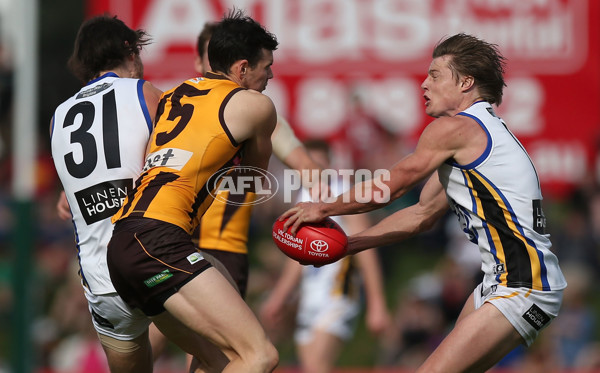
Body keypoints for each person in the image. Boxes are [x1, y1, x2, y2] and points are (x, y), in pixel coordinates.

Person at [281, 33, 567, 373]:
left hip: (521, 286)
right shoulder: (477, 135)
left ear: (465, 83)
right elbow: (421, 214)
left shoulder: (456, 129)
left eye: (434, 75)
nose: (423, 84)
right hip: (505, 284)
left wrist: (324, 208)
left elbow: (396, 183)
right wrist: (350, 245)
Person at [107, 9, 279, 372]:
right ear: (242, 69)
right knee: (260, 355)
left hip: (124, 243)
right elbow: (251, 178)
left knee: (218, 360)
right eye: (267, 68)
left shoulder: (172, 95)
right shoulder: (256, 106)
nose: (271, 76)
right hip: (159, 240)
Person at [50, 15, 162, 372]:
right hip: (152, 260)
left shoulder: (59, 116)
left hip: (101, 282)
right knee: (247, 353)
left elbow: (76, 188)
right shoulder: (145, 93)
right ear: (130, 52)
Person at [192, 21, 324, 298]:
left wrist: (318, 209)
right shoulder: (173, 108)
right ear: (200, 62)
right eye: (212, 56)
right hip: (170, 241)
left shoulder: (260, 117)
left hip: (223, 251)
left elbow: (309, 169)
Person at [260, 139, 390, 373]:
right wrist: (279, 297)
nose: (313, 171)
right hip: (311, 297)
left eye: (319, 165)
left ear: (330, 165)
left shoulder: (344, 194)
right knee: (313, 367)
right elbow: (295, 259)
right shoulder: (303, 196)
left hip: (338, 293)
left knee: (316, 366)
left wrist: (376, 303)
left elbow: (367, 249)